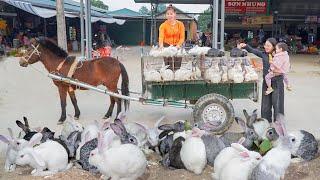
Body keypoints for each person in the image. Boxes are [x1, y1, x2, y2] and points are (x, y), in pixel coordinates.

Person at [239, 38, 283, 122]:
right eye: (265, 45)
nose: (266, 47)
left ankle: (278, 122)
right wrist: (245, 46)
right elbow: (253, 50)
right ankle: (266, 121)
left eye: (268, 45)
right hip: (266, 83)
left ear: (274, 47)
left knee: (277, 103)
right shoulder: (264, 54)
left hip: (277, 83)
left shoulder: (279, 56)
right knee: (265, 104)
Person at [158, 4, 185, 70]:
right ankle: (169, 77)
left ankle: (177, 76)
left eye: (171, 14)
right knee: (168, 66)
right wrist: (161, 45)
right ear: (166, 15)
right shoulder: (163, 25)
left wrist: (178, 46)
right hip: (167, 46)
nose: (169, 15)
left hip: (178, 46)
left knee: (177, 65)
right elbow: (161, 37)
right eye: (168, 14)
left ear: (175, 14)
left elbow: (182, 37)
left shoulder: (180, 24)